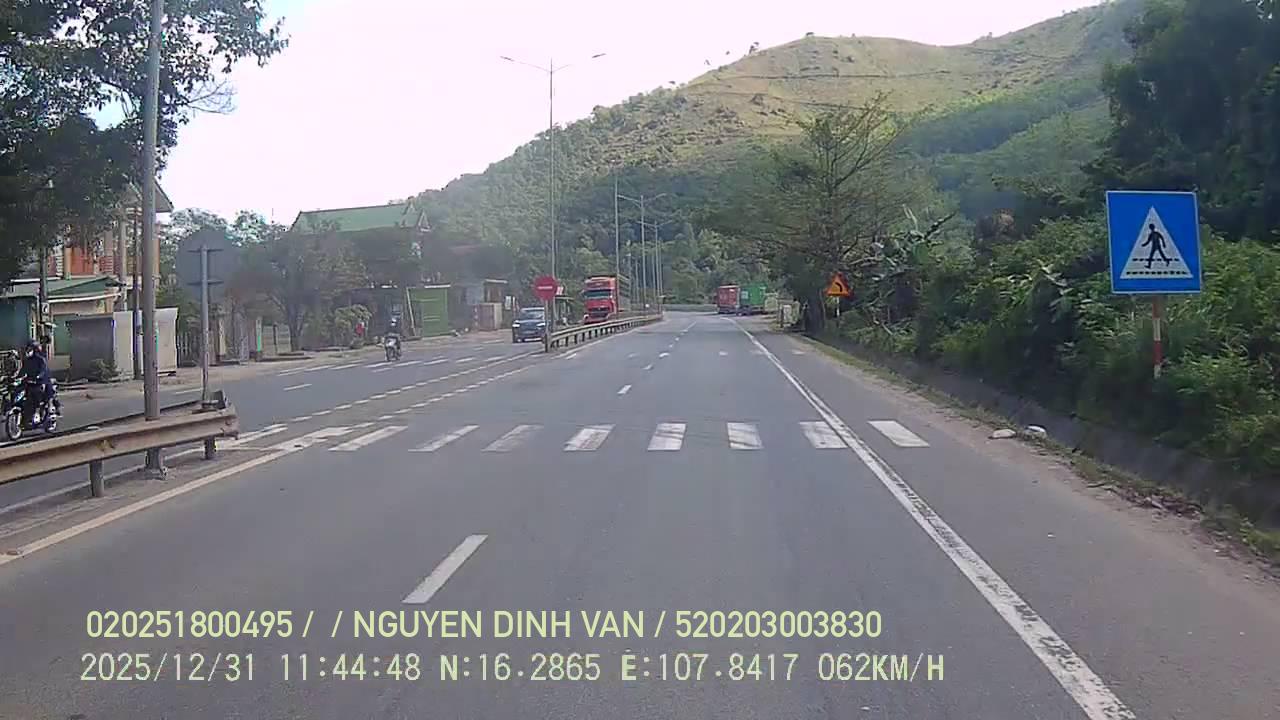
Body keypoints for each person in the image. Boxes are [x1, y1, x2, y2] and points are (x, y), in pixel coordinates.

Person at [17, 339, 59, 418]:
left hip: (41, 381)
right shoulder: (27, 360)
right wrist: (17, 378)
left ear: (35, 349)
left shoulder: (40, 359)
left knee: (42, 393)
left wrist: (38, 376)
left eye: (29, 349)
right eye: (27, 349)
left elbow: (43, 370)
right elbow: (22, 371)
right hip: (30, 382)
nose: (27, 351)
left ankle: (44, 411)